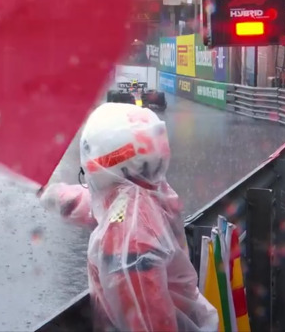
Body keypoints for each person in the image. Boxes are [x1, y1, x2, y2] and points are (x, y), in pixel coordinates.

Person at [39, 102, 219, 332]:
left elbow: (149, 323)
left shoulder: (131, 240)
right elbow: (95, 205)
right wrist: (53, 195)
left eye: (86, 170)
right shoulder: (148, 191)